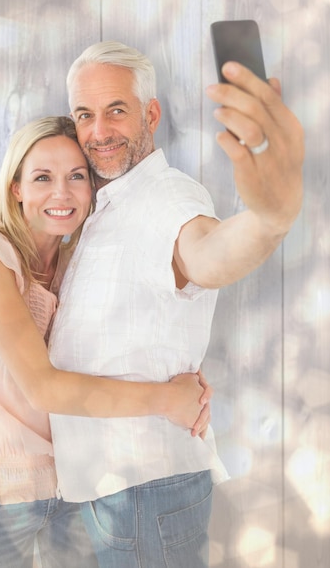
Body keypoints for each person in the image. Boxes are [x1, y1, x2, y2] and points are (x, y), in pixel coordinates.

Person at [47, 42, 304, 568]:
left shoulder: (169, 197)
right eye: (84, 115)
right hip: (108, 488)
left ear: (151, 114)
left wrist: (269, 218)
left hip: (147, 492)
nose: (98, 132)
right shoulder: (102, 202)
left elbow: (208, 253)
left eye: (116, 110)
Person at [0, 116, 213, 568]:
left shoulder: (71, 260)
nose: (61, 193)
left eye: (76, 176)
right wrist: (167, 399)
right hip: (1, 498)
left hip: (73, 482)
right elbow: (42, 387)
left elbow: (121, 341)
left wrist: (190, 385)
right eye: (42, 177)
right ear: (16, 187)